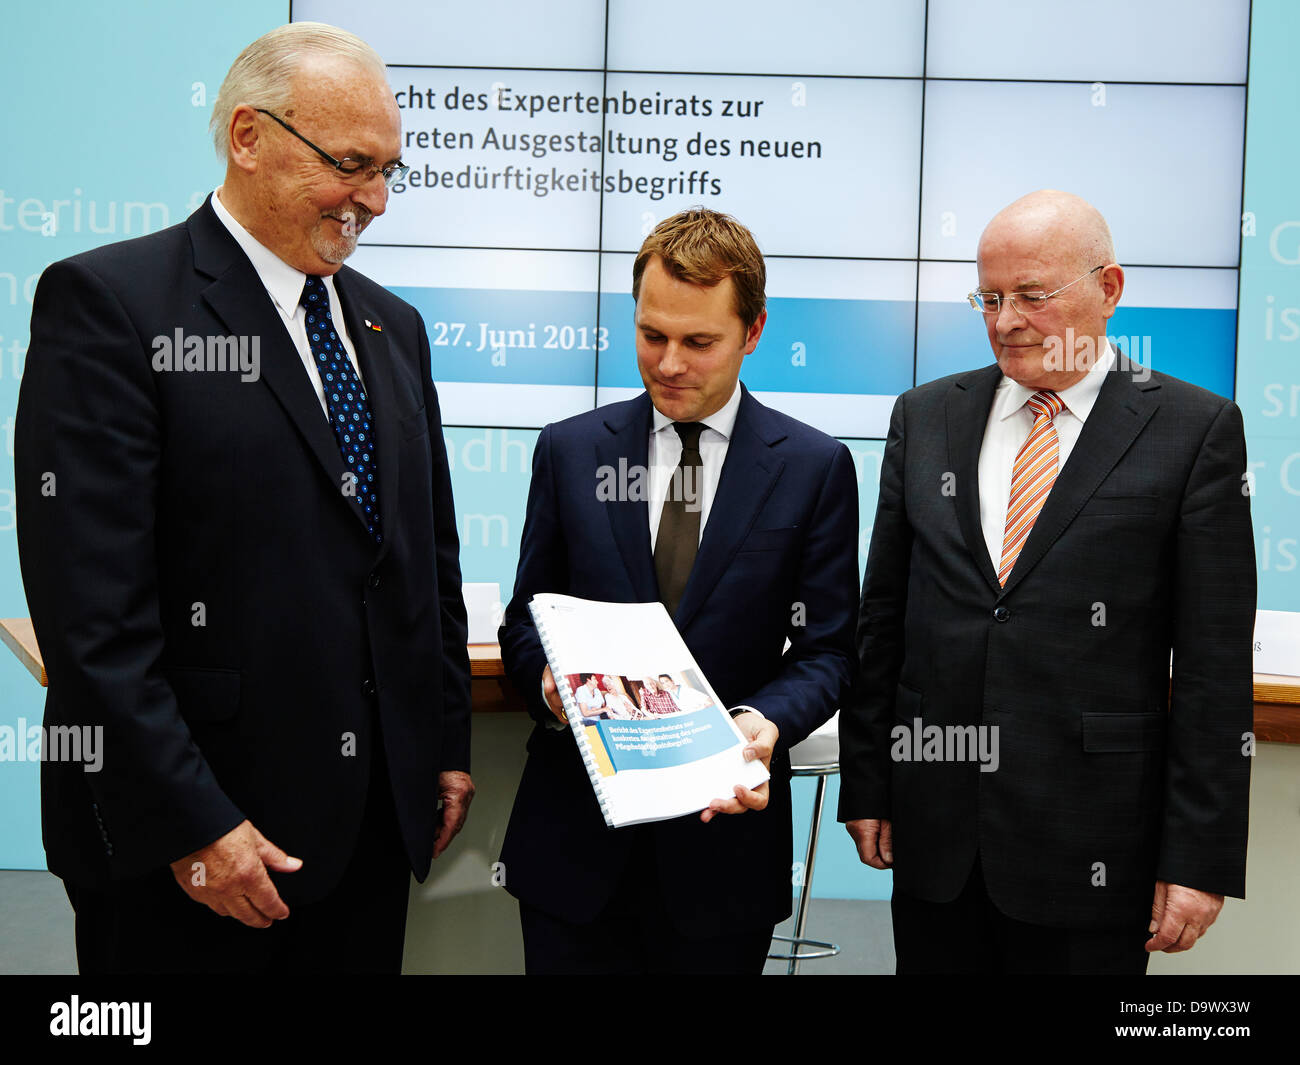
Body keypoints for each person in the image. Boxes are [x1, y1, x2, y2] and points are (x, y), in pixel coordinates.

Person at [14, 22, 474, 974]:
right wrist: (196, 823)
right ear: (248, 136)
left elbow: (426, 559)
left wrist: (443, 746)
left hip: (369, 842)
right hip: (193, 853)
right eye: (350, 164)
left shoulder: (395, 327)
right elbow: (93, 620)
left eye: (390, 170)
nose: (374, 200)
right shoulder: (109, 305)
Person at [838, 190, 1255, 974]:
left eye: (1032, 296)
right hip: (936, 840)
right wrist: (869, 782)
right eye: (989, 298)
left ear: (1111, 288)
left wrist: (1198, 855)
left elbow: (1213, 668)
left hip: (1093, 848)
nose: (1005, 321)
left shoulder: (1194, 431)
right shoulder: (925, 416)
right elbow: (883, 615)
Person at [498, 207, 859, 974]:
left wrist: (762, 724)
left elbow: (829, 649)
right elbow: (527, 619)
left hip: (722, 857)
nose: (668, 363)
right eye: (651, 335)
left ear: (753, 331)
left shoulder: (814, 467)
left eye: (699, 342)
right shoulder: (568, 450)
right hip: (573, 849)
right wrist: (553, 684)